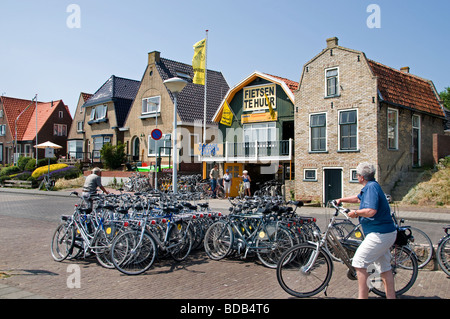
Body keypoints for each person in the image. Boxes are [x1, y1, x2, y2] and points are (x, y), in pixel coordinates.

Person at [336, 162, 397, 299]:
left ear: (361, 177)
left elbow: (371, 211)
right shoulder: (371, 186)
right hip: (386, 233)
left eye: (357, 175)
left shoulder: (371, 188)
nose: (357, 177)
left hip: (379, 234)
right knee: (384, 267)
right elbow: (358, 198)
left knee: (359, 262)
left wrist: (355, 213)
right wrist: (341, 199)